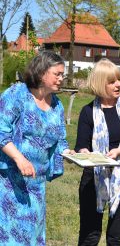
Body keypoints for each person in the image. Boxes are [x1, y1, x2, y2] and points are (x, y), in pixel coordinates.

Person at [0, 51, 70, 245]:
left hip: (36, 183)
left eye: (62, 74)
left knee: (33, 235)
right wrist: (19, 158)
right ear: (41, 73)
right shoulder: (17, 94)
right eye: (57, 74)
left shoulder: (57, 105)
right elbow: (1, 130)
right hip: (9, 181)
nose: (61, 78)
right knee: (11, 236)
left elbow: (61, 141)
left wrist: (73, 154)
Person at [74, 58, 120, 246]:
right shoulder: (88, 111)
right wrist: (82, 152)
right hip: (93, 178)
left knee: (117, 238)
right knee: (89, 235)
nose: (119, 84)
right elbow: (81, 145)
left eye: (119, 80)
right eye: (112, 81)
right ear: (100, 83)